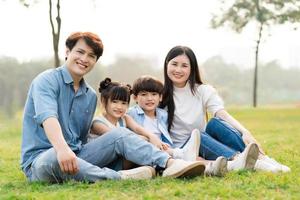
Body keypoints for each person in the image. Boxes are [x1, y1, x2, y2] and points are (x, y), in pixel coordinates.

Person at [20, 33, 206, 184]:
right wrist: (62, 149)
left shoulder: (90, 96)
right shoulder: (46, 81)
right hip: (42, 160)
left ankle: (170, 163)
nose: (84, 59)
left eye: (91, 56)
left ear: (95, 61)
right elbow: (48, 118)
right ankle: (117, 177)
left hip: (78, 157)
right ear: (67, 52)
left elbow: (82, 138)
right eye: (80, 52)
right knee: (53, 156)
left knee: (120, 135)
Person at [159, 45, 290, 173]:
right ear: (167, 64)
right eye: (174, 64)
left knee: (215, 123)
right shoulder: (158, 94)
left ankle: (263, 158)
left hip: (203, 142)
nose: (178, 69)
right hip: (183, 149)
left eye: (184, 66)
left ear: (192, 69)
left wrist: (245, 132)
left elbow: (222, 114)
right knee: (199, 135)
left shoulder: (203, 90)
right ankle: (248, 162)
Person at [128, 75, 228, 176]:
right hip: (147, 152)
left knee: (196, 159)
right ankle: (187, 156)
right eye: (144, 95)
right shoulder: (131, 114)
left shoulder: (162, 114)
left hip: (165, 150)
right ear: (135, 97)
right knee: (183, 156)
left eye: (154, 94)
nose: (149, 98)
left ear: (160, 97)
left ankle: (214, 167)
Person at [89, 77, 199, 162]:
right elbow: (119, 137)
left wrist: (151, 137)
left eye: (124, 103)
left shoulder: (125, 118)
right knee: (139, 148)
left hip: (122, 157)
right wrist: (144, 139)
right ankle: (177, 155)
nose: (119, 107)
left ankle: (177, 157)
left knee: (145, 155)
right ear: (104, 101)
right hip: (107, 161)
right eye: (114, 102)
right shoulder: (97, 124)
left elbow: (137, 128)